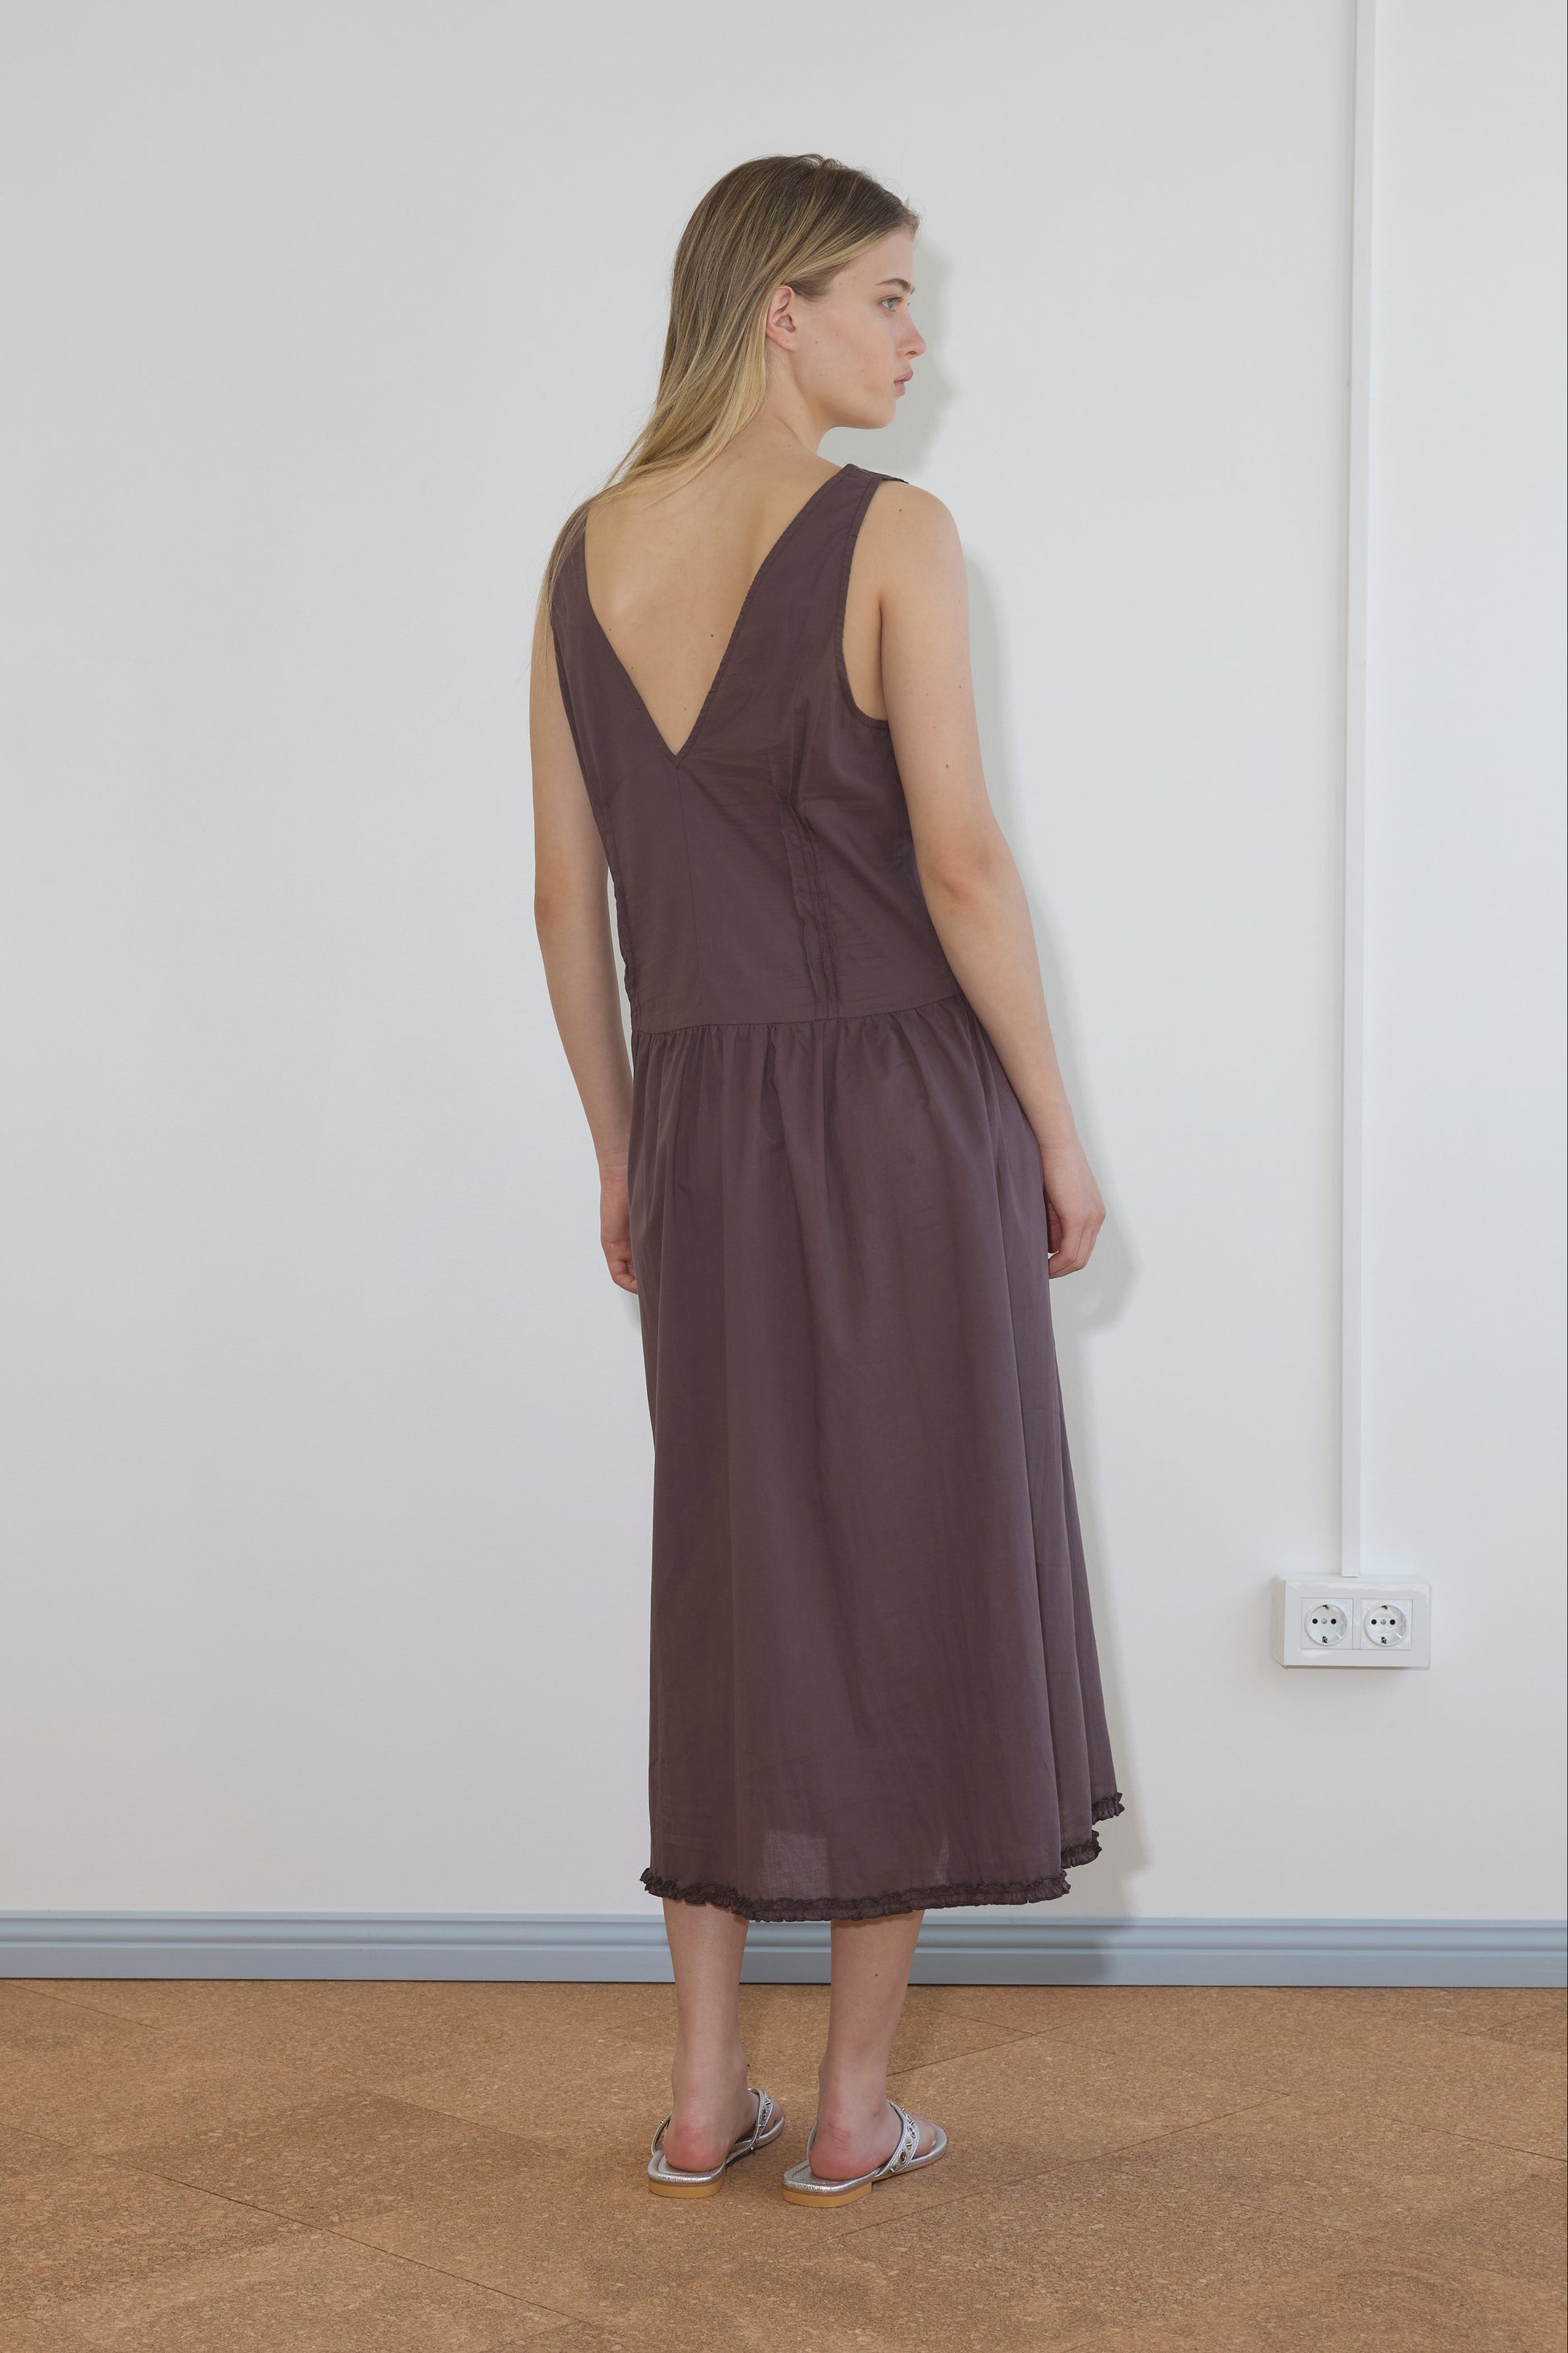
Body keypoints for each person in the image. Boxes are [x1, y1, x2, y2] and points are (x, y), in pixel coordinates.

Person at [531, 152, 1124, 2208]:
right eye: (885, 294)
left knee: (736, 1577)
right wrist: (1052, 1121)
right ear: (778, 310)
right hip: (892, 1110)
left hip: (702, 1117)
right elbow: (959, 861)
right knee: (909, 1566)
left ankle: (706, 2094)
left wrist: (622, 1144)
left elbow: (563, 901)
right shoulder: (893, 533)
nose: (914, 337)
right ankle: (854, 2108)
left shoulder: (582, 552)